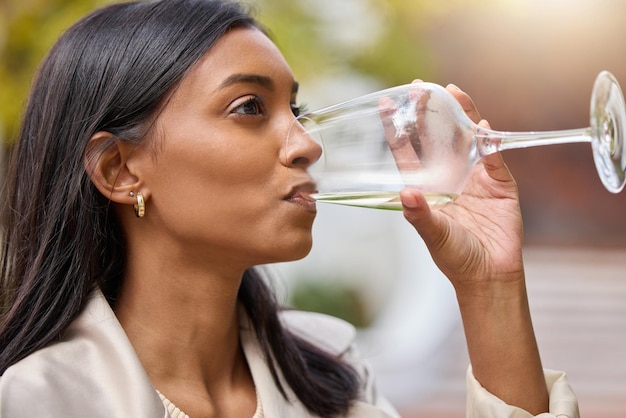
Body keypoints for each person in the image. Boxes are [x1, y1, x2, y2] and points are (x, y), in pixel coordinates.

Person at [0, 0, 579, 417]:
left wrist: (490, 289)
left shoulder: (332, 377)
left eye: (295, 110)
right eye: (249, 107)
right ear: (119, 171)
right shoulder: (37, 401)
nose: (307, 143)